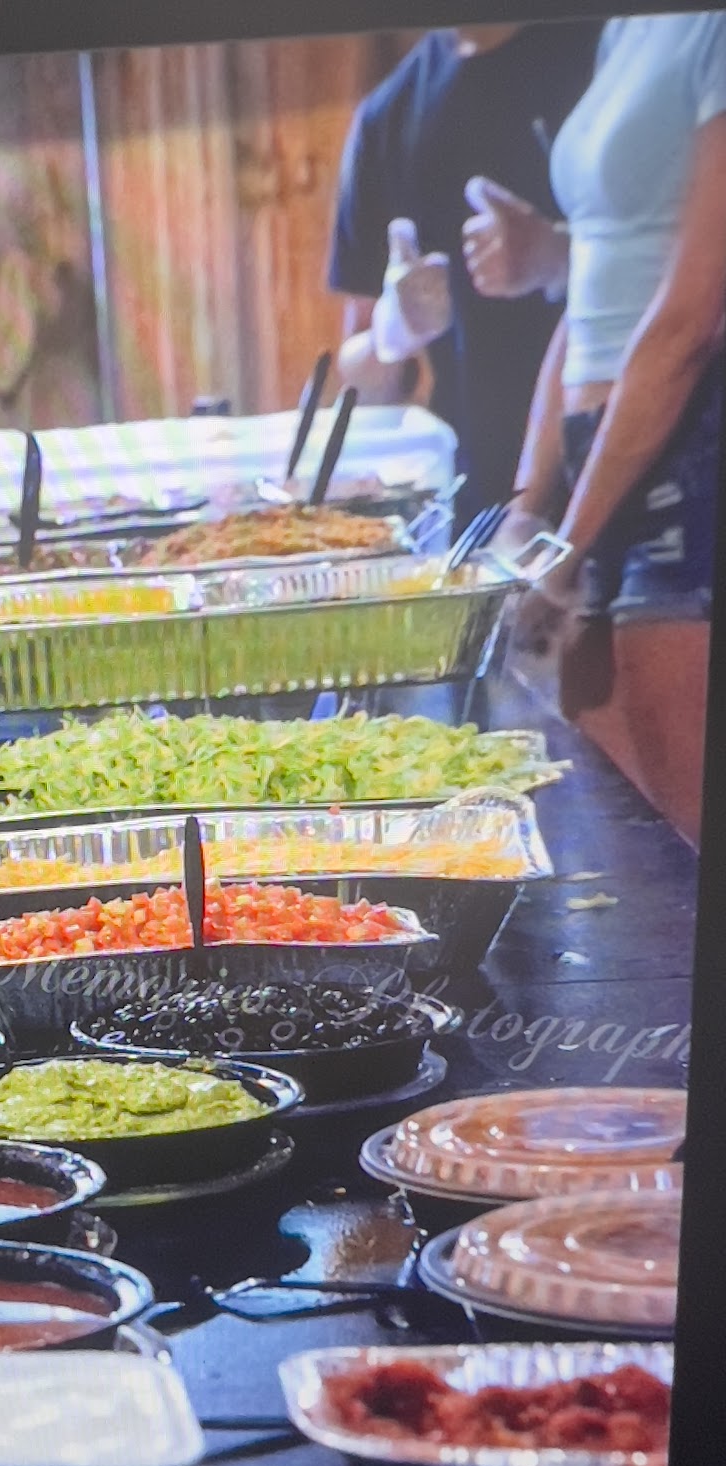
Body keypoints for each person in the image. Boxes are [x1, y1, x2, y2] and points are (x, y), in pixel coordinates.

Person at [499, 12, 726, 845]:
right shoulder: (627, 26)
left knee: (682, 845)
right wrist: (529, 505)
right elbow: (590, 292)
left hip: (685, 445)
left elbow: (692, 318)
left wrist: (568, 545)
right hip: (600, 457)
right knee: (615, 831)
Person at [328, 21, 599, 519]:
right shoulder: (387, 113)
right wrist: (394, 332)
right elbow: (359, 377)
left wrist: (558, 256)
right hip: (476, 501)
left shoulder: (600, 54)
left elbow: (677, 262)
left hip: (610, 477)